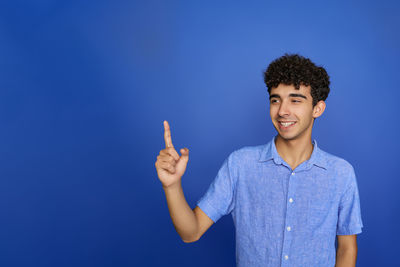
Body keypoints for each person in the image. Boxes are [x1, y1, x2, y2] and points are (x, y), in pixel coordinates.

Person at [155, 53, 363, 267]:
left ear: (317, 108)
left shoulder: (341, 173)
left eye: (295, 100)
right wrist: (172, 186)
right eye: (276, 100)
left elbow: (347, 248)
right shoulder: (240, 165)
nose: (282, 111)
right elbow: (191, 232)